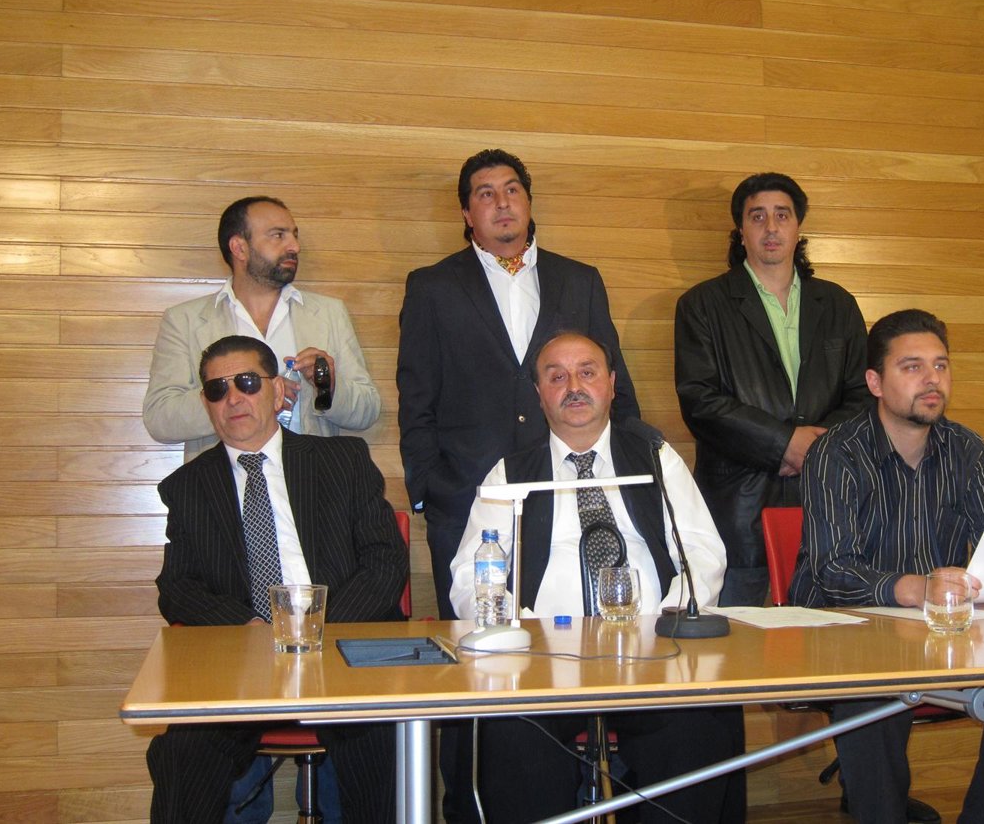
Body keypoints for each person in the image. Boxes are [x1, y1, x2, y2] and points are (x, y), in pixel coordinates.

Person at [791, 309, 984, 824]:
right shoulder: (836, 453)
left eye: (941, 366)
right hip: (848, 631)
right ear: (875, 382)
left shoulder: (969, 451)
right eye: (913, 367)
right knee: (870, 696)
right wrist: (914, 588)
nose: (932, 379)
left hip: (943, 630)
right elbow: (831, 571)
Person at [448, 331, 743, 824]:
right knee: (511, 738)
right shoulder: (510, 472)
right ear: (538, 393)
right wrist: (520, 633)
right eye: (556, 377)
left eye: (586, 373)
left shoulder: (655, 455)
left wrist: (668, 621)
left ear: (611, 383)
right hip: (542, 664)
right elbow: (469, 575)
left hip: (653, 655)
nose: (573, 387)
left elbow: (702, 552)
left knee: (695, 730)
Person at [146, 335, 406, 824]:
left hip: (343, 651)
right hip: (243, 663)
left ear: (278, 389)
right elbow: (177, 587)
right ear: (206, 403)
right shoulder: (188, 486)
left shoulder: (342, 460)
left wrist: (317, 629)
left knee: (380, 742)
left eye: (246, 382)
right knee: (181, 755)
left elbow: (385, 561)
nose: (233, 399)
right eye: (217, 389)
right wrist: (247, 627)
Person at [398, 148, 640, 620]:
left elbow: (615, 380)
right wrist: (428, 489)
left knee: (580, 625)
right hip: (468, 497)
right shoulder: (432, 287)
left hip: (568, 487)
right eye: (486, 194)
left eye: (512, 190)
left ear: (528, 202)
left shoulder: (579, 280)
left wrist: (629, 466)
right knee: (478, 638)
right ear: (467, 213)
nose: (502, 203)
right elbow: (417, 397)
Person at [674, 172, 870, 607]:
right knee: (739, 635)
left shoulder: (838, 304)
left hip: (828, 504)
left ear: (798, 227)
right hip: (737, 507)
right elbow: (700, 401)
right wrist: (784, 443)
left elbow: (863, 395)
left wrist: (816, 449)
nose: (771, 227)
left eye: (782, 215)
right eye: (757, 216)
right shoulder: (702, 305)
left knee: (829, 635)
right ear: (741, 230)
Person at [144, 196, 380, 462]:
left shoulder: (329, 313)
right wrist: (242, 393)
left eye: (294, 235)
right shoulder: (185, 320)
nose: (294, 246)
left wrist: (328, 388)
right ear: (239, 248)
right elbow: (160, 418)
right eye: (278, 235)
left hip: (312, 478)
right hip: (222, 480)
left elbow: (367, 411)